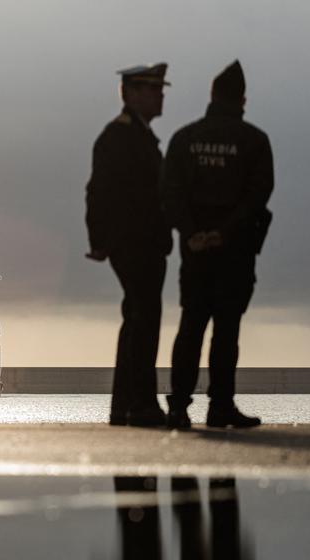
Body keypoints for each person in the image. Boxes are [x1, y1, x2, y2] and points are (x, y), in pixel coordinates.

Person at [163, 61, 274, 429]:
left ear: (212, 95)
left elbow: (170, 192)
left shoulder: (184, 139)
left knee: (191, 325)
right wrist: (224, 233)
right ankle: (221, 405)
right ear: (242, 100)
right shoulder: (255, 141)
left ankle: (178, 406)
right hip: (235, 251)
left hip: (195, 251)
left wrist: (192, 232)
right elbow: (258, 195)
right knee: (227, 330)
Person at [85, 63, 173, 427]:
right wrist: (101, 241)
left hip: (142, 241)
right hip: (135, 242)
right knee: (144, 319)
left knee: (136, 319)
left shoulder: (139, 136)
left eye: (160, 90)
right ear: (131, 93)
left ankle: (125, 404)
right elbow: (98, 191)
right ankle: (141, 403)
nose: (160, 96)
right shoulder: (120, 136)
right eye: (153, 90)